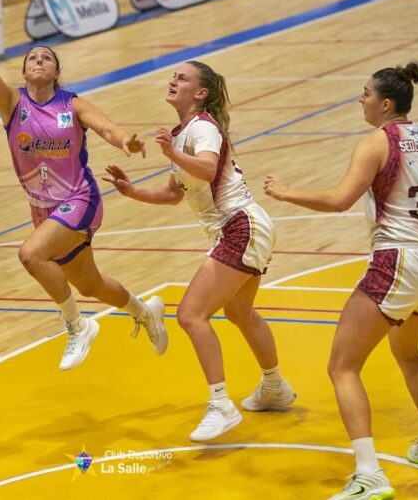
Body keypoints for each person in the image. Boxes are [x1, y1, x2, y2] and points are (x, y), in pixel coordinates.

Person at [264, 62, 418, 500]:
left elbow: (340, 200)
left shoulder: (375, 143)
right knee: (407, 350)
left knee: (342, 366)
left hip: (399, 260)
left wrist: (286, 193)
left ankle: (369, 474)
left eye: (365, 94)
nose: (361, 100)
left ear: (386, 103)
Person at [0, 0, 167, 370]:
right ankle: (145, 312)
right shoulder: (12, 103)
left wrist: (125, 140)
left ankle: (77, 326)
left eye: (46, 57)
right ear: (25, 72)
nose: (39, 61)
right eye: (32, 58)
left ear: (56, 72)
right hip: (43, 208)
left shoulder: (71, 105)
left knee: (30, 255)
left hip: (80, 199)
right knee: (90, 284)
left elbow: (106, 126)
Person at [103, 60, 295, 442]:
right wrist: (133, 190)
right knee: (240, 312)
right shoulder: (184, 133)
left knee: (191, 315)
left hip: (240, 225)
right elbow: (176, 193)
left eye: (182, 78)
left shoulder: (203, 127)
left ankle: (221, 404)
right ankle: (275, 386)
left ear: (201, 93)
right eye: (173, 76)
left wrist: (172, 155)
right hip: (246, 227)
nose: (173, 81)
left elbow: (206, 170)